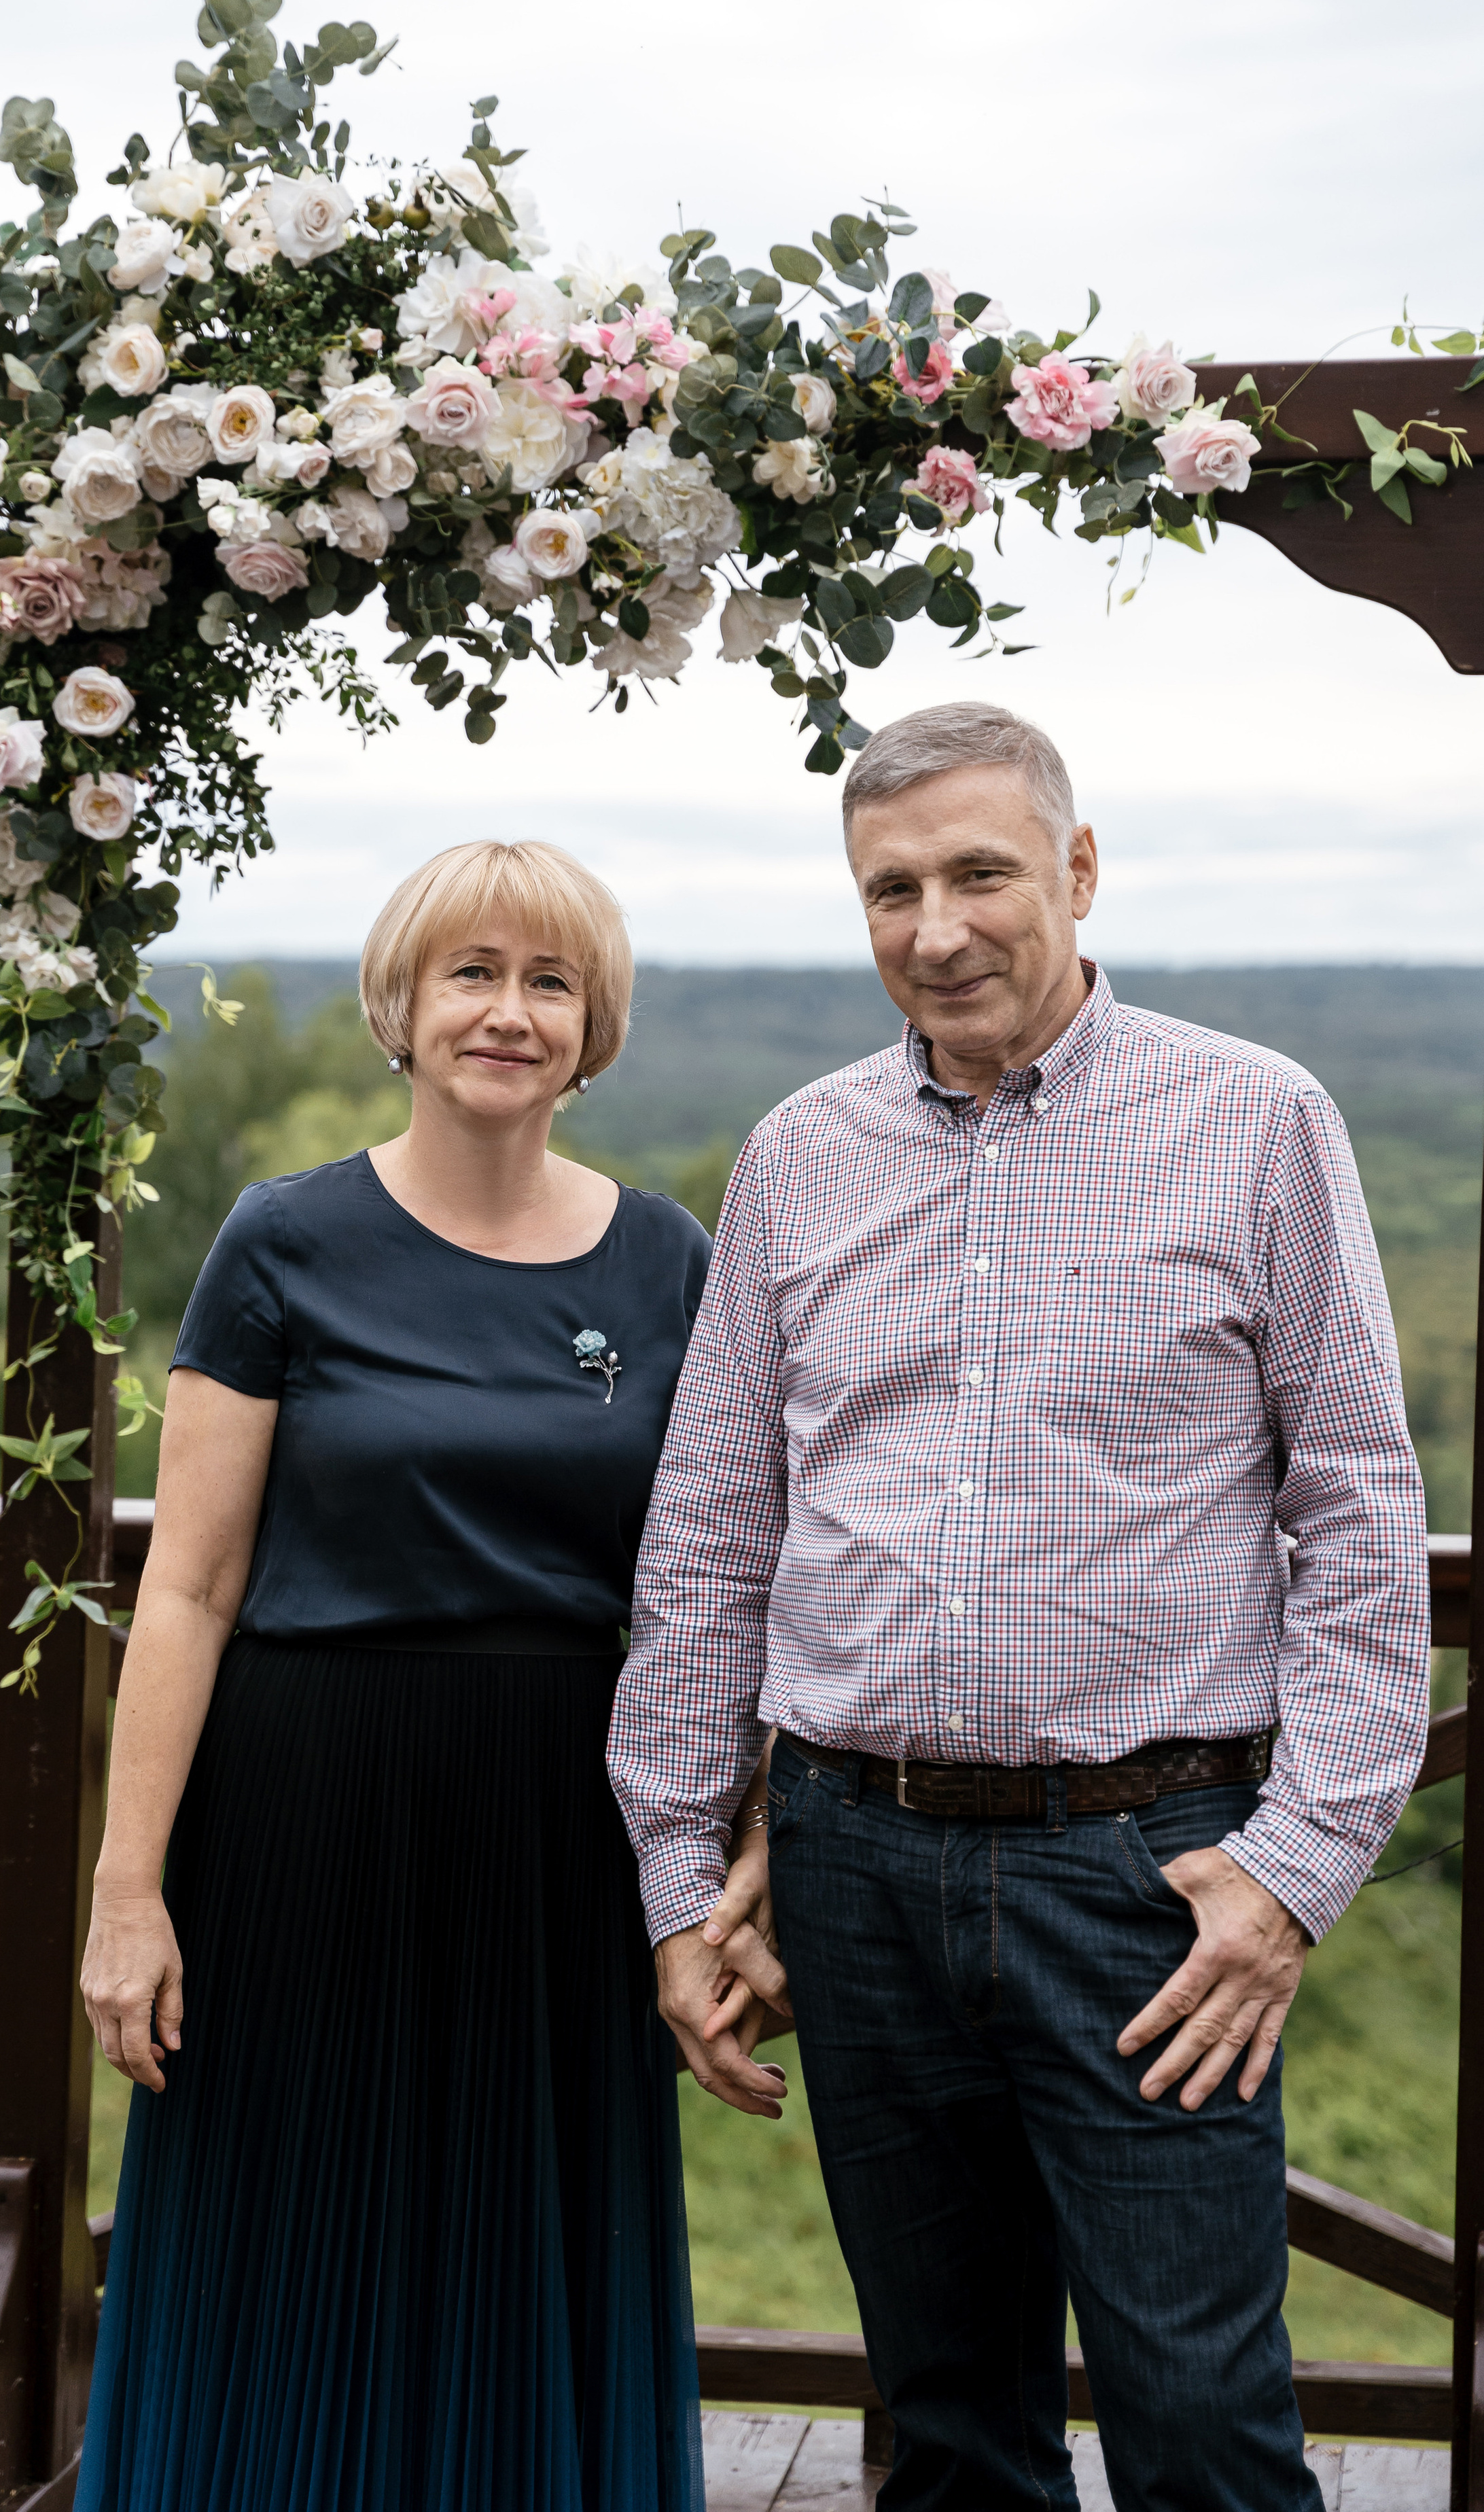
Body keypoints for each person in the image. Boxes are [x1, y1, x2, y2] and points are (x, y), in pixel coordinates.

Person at [606, 703, 1431, 2512]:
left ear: (1074, 868)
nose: (936, 927)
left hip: (1147, 1878)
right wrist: (684, 1870)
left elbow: (1361, 1513)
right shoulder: (799, 1156)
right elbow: (712, 1537)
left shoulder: (1258, 1121)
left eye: (980, 872)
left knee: (1206, 2429)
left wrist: (1296, 1871)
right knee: (953, 2430)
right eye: (890, 889)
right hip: (849, 1867)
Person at [75, 839, 718, 2512]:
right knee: (288, 2228)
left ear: (594, 1027)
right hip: (304, 1813)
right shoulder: (282, 1241)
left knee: (528, 2232)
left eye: (548, 981)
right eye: (470, 974)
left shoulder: (667, 1262)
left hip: (562, 1836)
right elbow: (192, 1586)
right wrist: (126, 1890)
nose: (507, 1012)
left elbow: (709, 1589)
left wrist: (717, 1868)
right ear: (400, 1003)